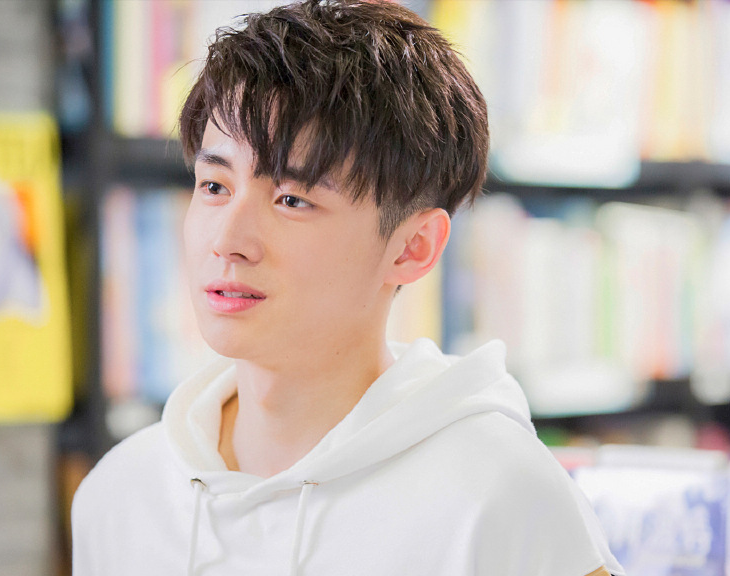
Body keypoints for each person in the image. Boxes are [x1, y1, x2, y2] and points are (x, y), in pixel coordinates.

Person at [71, 1, 623, 574]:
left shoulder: (501, 499)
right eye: (214, 186)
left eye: (292, 199)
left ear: (412, 248)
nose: (227, 241)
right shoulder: (120, 495)